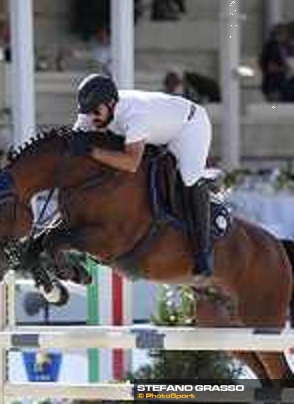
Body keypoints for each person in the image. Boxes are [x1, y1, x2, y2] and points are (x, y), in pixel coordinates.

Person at [70, 73, 213, 277]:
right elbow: (75, 142)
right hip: (159, 127)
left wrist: (92, 152)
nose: (91, 118)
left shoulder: (135, 116)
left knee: (189, 178)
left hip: (189, 127)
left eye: (95, 112)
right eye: (87, 112)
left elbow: (131, 163)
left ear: (111, 104)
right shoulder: (93, 109)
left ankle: (202, 252)